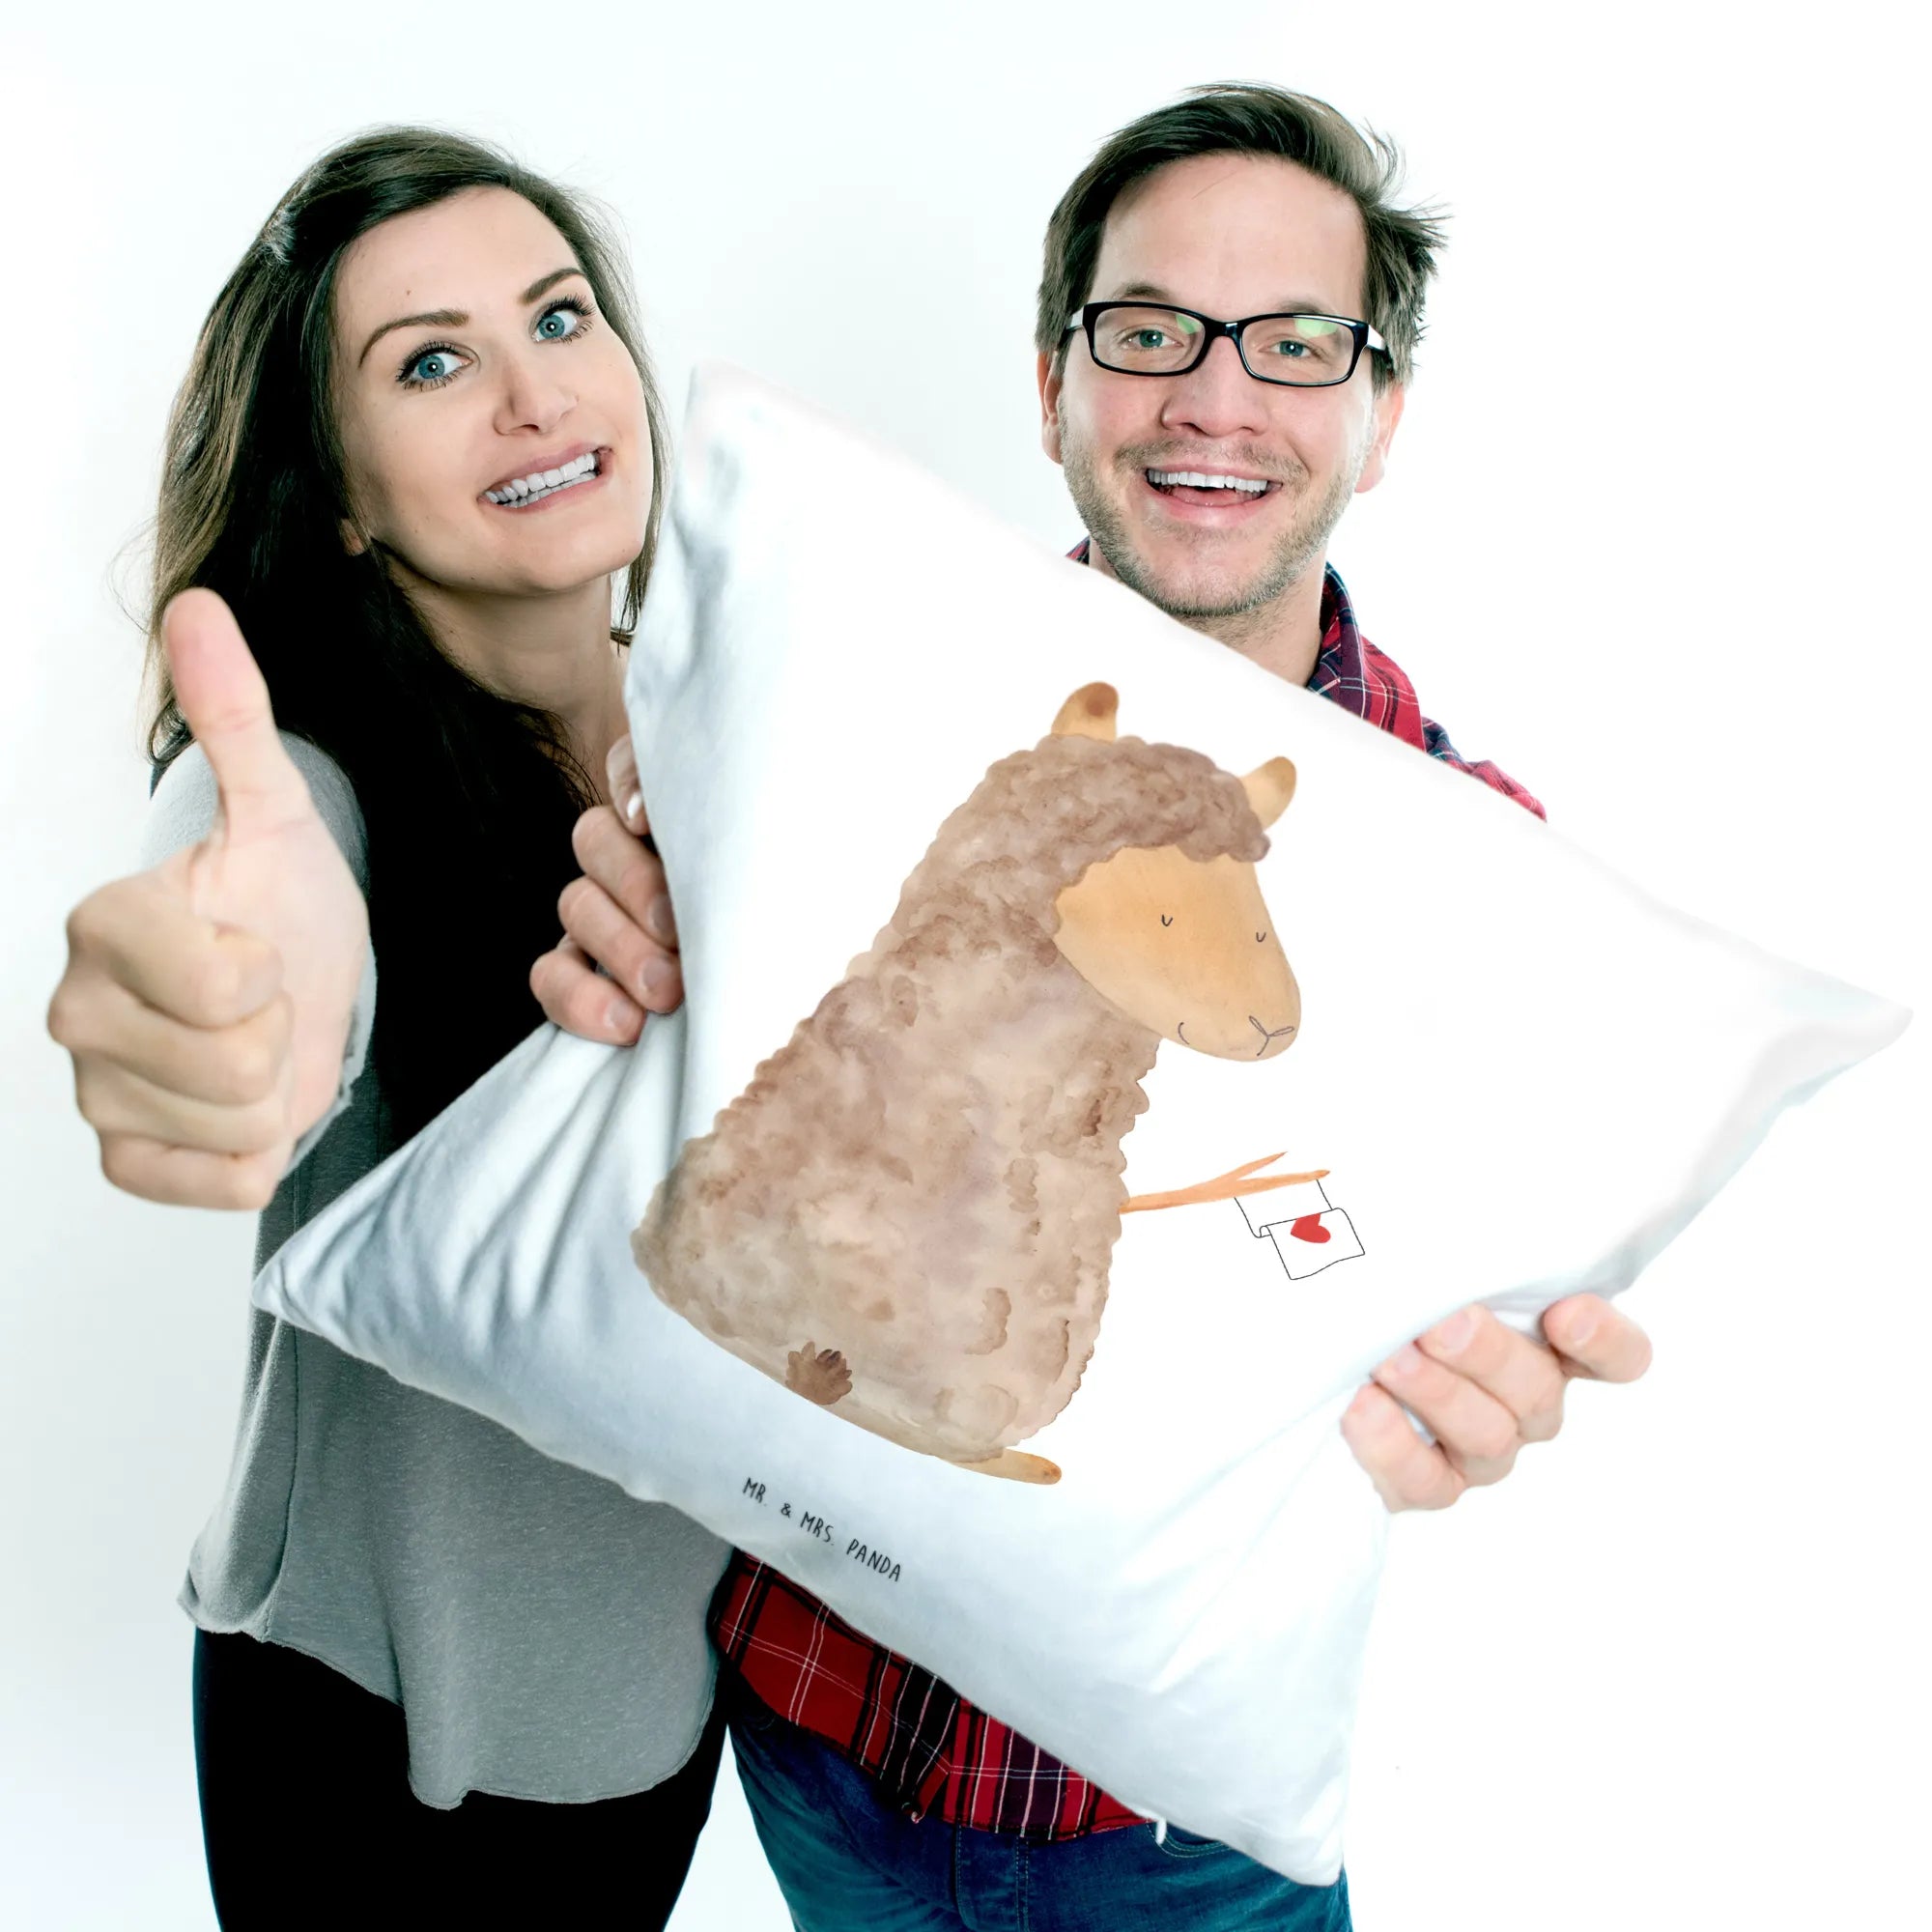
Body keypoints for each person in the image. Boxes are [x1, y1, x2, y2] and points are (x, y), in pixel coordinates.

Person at [535, 84, 1655, 1929]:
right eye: (1150, 333)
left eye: (1297, 343)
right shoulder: (836, 718)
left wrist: (1481, 1373)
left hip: (1177, 1829)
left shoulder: (1483, 878)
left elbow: (1448, 1292)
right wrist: (619, 963)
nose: (1216, 398)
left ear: (1380, 418)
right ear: (1054, 383)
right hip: (808, 1736)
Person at [44, 131, 718, 1927]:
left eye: (558, 318)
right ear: (341, 496)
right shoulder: (309, 784)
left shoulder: (727, 744)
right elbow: (249, 897)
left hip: (661, 1711)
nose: (532, 395)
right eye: (430, 363)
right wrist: (222, 997)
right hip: (379, 1739)